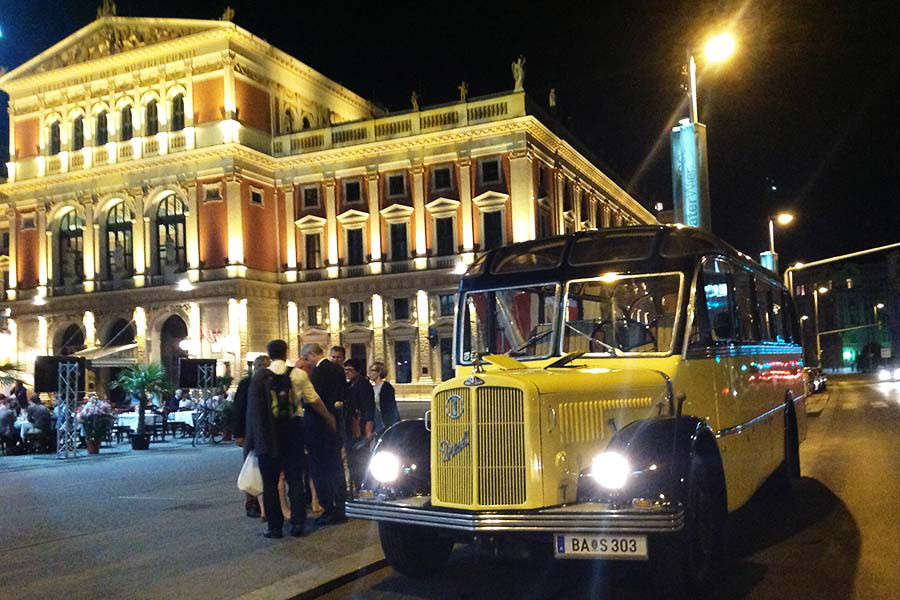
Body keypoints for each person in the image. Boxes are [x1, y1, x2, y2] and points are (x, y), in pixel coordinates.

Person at [246, 340, 329, 539]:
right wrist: (329, 418)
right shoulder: (298, 374)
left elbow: (253, 412)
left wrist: (251, 441)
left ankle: (275, 527)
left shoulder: (259, 377)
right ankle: (298, 523)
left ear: (269, 353)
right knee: (295, 479)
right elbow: (314, 401)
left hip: (268, 436)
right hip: (293, 432)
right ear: (286, 352)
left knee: (270, 483)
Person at [300, 342, 348, 525]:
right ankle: (341, 505)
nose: (306, 362)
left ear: (312, 354)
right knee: (336, 467)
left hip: (319, 427)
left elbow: (314, 400)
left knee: (320, 469)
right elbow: (343, 394)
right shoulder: (337, 369)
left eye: (306, 358)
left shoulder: (318, 373)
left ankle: (329, 508)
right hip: (335, 427)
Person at [234, 355, 270, 519]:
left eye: (266, 365)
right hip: (249, 432)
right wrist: (239, 434)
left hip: (266, 432)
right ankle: (251, 503)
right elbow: (239, 409)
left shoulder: (271, 382)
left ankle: (266, 502)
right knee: (251, 468)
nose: (264, 367)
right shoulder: (246, 384)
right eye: (262, 365)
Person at [343, 358, 375, 496]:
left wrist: (368, 428)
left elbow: (368, 408)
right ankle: (358, 489)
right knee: (353, 461)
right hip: (353, 427)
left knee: (361, 460)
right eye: (346, 370)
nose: (347, 373)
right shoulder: (352, 383)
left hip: (359, 428)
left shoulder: (363, 384)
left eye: (350, 370)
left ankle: (364, 490)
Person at [368, 362, 400, 434]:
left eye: (372, 370)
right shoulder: (371, 387)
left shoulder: (386, 387)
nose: (369, 373)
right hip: (375, 422)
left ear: (379, 372)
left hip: (385, 422)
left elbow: (391, 408)